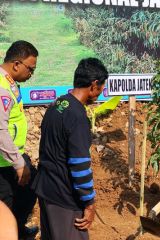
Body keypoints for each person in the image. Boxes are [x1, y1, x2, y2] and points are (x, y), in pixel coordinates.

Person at [31, 58, 108, 240]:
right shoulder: (78, 117)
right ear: (94, 85)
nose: (101, 93)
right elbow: (80, 165)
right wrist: (89, 203)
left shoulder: (57, 105)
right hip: (64, 198)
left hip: (46, 190)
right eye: (101, 88)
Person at [0, 40, 39, 238]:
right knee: (5, 204)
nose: (31, 74)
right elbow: (0, 131)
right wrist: (18, 164)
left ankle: (19, 229)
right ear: (16, 64)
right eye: (30, 69)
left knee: (29, 192)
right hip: (3, 163)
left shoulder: (9, 82)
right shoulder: (1, 87)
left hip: (13, 156)